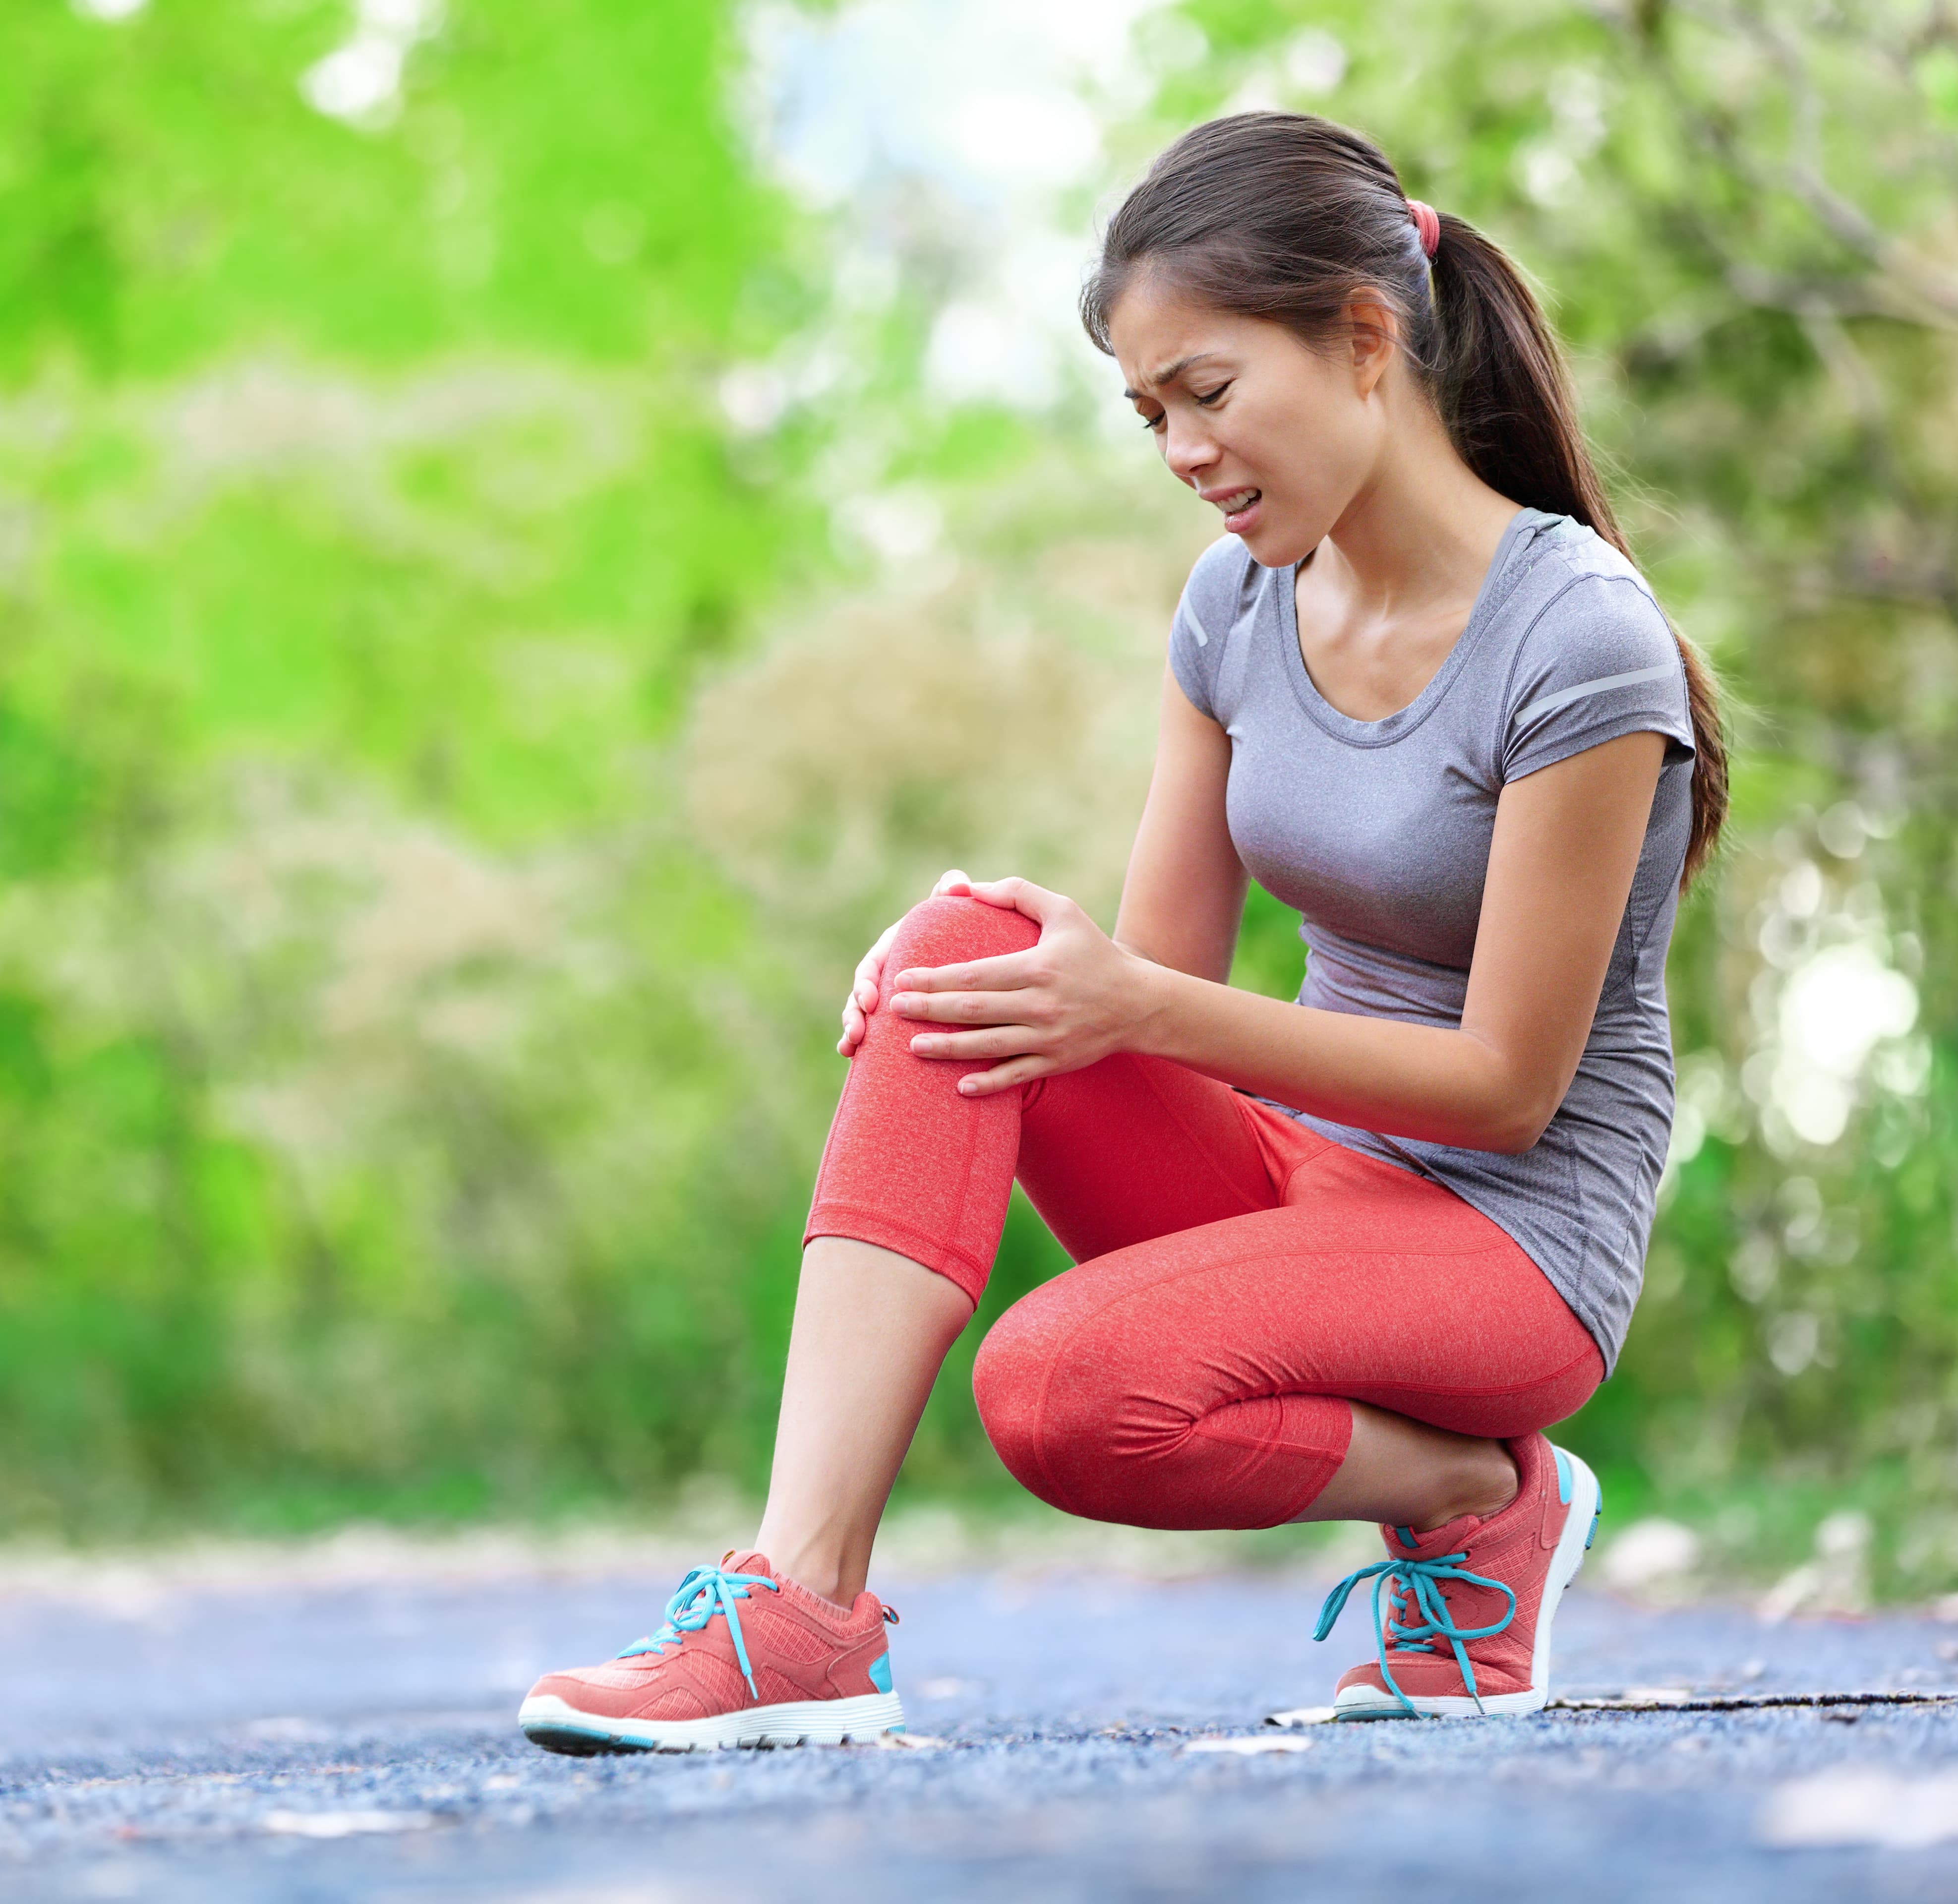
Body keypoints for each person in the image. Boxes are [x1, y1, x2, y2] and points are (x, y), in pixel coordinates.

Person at [515, 110, 1729, 1752]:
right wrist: (997, 968)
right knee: (957, 948)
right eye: (1151, 413)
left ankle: (1477, 1493)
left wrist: (1128, 1006)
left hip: (1510, 1243)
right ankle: (798, 1609)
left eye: (1208, 392)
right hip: (1300, 1181)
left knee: (1061, 1394)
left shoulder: (1578, 640)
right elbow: (1159, 987)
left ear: (1365, 339)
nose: (1181, 451)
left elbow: (1507, 1087)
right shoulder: (1235, 603)